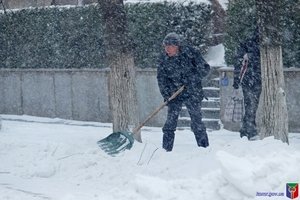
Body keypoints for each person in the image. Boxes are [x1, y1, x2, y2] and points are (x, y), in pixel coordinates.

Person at [156, 32, 210, 151]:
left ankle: (204, 148)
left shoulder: (191, 54)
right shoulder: (163, 59)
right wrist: (166, 94)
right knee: (170, 123)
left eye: (169, 46)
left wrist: (193, 78)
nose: (167, 49)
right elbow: (161, 79)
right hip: (174, 94)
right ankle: (166, 150)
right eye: (165, 46)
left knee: (197, 122)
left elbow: (205, 68)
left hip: (192, 92)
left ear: (177, 46)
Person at [232, 29, 262, 140]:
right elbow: (240, 62)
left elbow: (238, 62)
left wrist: (236, 79)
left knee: (250, 105)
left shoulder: (246, 44)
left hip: (248, 79)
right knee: (252, 106)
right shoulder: (257, 46)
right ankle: (250, 130)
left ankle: (246, 130)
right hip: (253, 79)